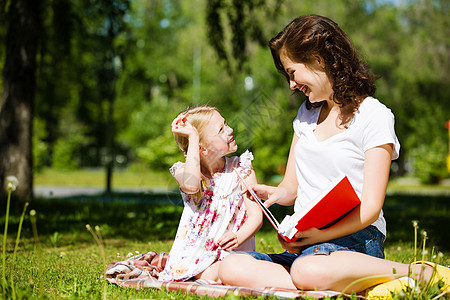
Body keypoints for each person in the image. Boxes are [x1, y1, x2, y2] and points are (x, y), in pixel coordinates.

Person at [218, 14, 449, 297]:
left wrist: (320, 236)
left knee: (306, 271)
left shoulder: (373, 116)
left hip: (356, 241)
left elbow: (371, 207)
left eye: (292, 73)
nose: (291, 84)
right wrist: (275, 195)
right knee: (231, 266)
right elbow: (292, 186)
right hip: (308, 247)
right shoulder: (305, 116)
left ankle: (417, 272)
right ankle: (358, 284)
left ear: (318, 59)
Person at [158, 105, 262, 283]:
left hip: (234, 251)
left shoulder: (242, 168)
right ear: (202, 149)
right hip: (196, 256)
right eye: (221, 129)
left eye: (226, 124)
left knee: (233, 268)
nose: (230, 130)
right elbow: (191, 186)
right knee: (212, 274)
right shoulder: (184, 171)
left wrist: (239, 236)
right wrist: (192, 138)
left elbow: (256, 215)